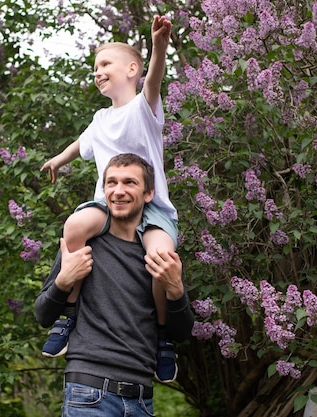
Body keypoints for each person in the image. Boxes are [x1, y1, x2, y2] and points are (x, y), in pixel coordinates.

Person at [40, 15, 180, 382]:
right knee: (74, 226)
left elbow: (154, 79)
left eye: (105, 65)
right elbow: (81, 144)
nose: (98, 72)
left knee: (160, 256)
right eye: (95, 68)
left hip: (151, 208)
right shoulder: (100, 118)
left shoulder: (144, 109)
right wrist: (58, 159)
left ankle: (163, 338)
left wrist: (159, 45)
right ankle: (69, 316)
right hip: (108, 204)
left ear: (131, 69)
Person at [35, 153, 194, 416]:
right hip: (88, 392)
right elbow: (42, 314)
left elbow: (181, 332)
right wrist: (63, 281)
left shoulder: (158, 253)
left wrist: (176, 290)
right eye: (111, 183)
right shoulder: (86, 245)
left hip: (142, 398)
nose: (118, 191)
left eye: (129, 182)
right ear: (103, 189)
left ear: (148, 193)